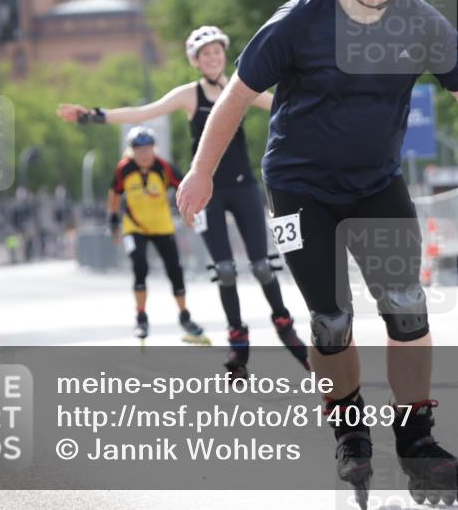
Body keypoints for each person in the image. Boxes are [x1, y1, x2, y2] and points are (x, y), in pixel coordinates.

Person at [175, 0, 458, 508]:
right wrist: (201, 172)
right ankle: (348, 428)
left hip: (374, 185)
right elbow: (233, 98)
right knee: (331, 320)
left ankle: (417, 440)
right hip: (296, 190)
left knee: (408, 308)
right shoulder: (298, 21)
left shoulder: (419, 21)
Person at [57, 28, 309, 374]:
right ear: (195, 60)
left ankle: (288, 331)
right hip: (208, 191)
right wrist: (94, 115)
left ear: (225, 55)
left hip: (244, 187)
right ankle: (238, 346)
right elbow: (144, 112)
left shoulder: (241, 87)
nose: (213, 59)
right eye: (205, 54)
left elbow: (287, 103)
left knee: (263, 265)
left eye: (217, 53)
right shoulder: (189, 95)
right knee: (224, 271)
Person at [107, 126, 208, 342]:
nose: (143, 154)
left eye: (147, 148)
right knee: (140, 266)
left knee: (175, 270)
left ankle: (185, 315)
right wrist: (113, 222)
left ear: (154, 148)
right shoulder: (123, 169)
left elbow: (184, 187)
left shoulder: (164, 168)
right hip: (134, 228)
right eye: (138, 149)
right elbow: (114, 193)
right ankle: (141, 318)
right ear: (132, 150)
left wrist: (189, 214)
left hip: (162, 226)